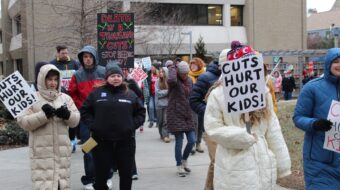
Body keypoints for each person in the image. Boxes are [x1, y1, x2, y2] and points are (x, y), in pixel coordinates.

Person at [204, 43, 291, 190]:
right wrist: (240, 136)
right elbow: (213, 128)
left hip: (262, 165)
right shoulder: (218, 95)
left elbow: (273, 128)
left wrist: (283, 164)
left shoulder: (263, 93)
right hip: (234, 166)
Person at [80, 62, 146, 190]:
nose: (116, 78)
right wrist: (94, 125)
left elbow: (141, 113)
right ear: (106, 78)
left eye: (118, 75)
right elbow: (84, 111)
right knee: (100, 178)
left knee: (126, 176)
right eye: (112, 76)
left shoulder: (130, 94)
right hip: (101, 143)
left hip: (125, 142)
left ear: (122, 77)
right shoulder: (96, 93)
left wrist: (131, 125)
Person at [17, 64, 80, 190]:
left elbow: (76, 120)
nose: (53, 83)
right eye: (49, 79)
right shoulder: (32, 99)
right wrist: (43, 115)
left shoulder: (65, 98)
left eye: (56, 79)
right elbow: (23, 122)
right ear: (42, 79)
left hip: (62, 153)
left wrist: (67, 115)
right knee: (44, 186)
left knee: (61, 185)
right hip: (41, 154)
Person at [293, 48, 340, 189]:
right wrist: (315, 124)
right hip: (320, 163)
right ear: (327, 64)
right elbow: (298, 117)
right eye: (336, 62)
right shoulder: (312, 88)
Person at [68, 45, 111, 190]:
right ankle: (90, 178)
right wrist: (82, 108)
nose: (87, 59)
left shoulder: (103, 72)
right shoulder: (77, 75)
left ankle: (107, 176)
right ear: (81, 58)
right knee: (89, 149)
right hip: (86, 119)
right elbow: (72, 95)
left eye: (90, 56)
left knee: (105, 147)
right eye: (85, 57)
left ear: (94, 57)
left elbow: (111, 89)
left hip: (103, 117)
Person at [190, 48, 228, 190]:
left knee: (223, 163)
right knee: (217, 161)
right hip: (212, 128)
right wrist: (210, 112)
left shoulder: (237, 77)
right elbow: (193, 101)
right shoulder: (207, 77)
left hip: (233, 128)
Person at [167, 61, 196, 177]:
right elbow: (171, 80)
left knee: (192, 140)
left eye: (186, 73)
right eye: (183, 73)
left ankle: (184, 160)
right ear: (178, 72)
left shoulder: (189, 80)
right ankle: (179, 165)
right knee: (179, 141)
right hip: (175, 113)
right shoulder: (174, 81)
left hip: (187, 113)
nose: (185, 75)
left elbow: (191, 94)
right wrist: (173, 67)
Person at [51, 45, 80, 153]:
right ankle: (60, 142)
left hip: (72, 95)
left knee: (71, 117)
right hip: (59, 96)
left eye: (66, 53)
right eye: (63, 53)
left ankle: (72, 141)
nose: (65, 55)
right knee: (60, 118)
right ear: (58, 53)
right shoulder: (52, 64)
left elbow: (79, 76)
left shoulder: (74, 63)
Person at [122, 67, 144, 180]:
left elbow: (139, 93)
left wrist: (131, 81)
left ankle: (132, 171)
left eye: (125, 70)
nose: (123, 72)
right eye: (121, 70)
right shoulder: (109, 85)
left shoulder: (130, 82)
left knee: (129, 147)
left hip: (128, 121)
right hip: (112, 122)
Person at [188, 57, 206, 154]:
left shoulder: (204, 75)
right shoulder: (188, 76)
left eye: (194, 64)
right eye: (191, 65)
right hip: (192, 104)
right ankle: (193, 144)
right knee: (194, 124)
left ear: (199, 65)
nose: (192, 66)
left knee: (200, 125)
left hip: (202, 103)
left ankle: (198, 143)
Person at [155, 65, 170, 143]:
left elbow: (171, 92)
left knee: (165, 121)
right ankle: (161, 134)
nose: (161, 73)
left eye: (162, 72)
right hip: (159, 104)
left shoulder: (168, 82)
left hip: (167, 104)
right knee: (160, 121)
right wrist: (167, 92)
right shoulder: (157, 81)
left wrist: (164, 93)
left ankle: (166, 135)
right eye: (160, 72)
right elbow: (158, 93)